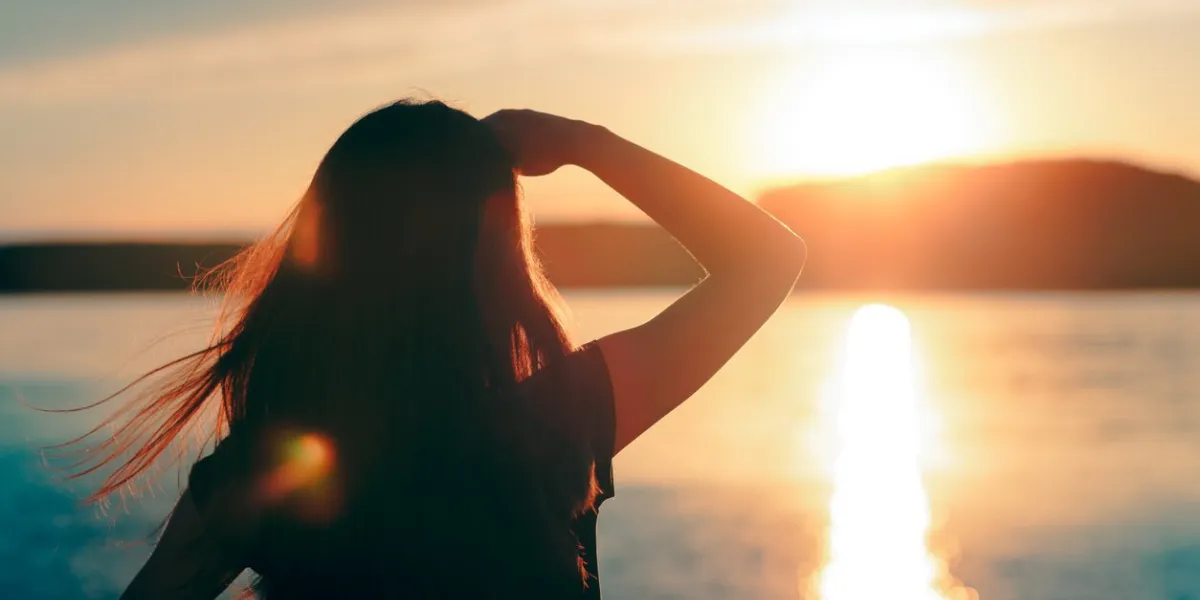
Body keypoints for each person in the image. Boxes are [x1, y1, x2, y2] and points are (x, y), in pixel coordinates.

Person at [73, 99, 805, 599]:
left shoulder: (259, 478)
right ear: (494, 266)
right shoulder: (552, 426)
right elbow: (767, 260)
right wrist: (582, 141)